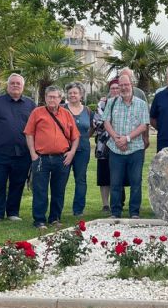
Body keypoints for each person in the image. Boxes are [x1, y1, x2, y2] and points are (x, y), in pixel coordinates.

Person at [0, 73, 36, 224]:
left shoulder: (31, 105)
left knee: (17, 183)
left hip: (23, 152)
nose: (15, 85)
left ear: (23, 86)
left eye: (18, 83)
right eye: (12, 83)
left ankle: (13, 212)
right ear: (8, 85)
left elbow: (37, 126)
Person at [24, 86, 79, 229]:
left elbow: (75, 136)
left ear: (60, 99)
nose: (52, 99)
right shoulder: (37, 112)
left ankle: (55, 218)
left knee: (58, 190)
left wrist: (72, 152)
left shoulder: (66, 114)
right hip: (41, 158)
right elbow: (29, 133)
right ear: (45, 98)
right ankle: (40, 220)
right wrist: (33, 154)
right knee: (40, 190)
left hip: (62, 159)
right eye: (49, 97)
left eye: (55, 97)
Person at [103, 74, 150, 218]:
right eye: (121, 85)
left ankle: (134, 212)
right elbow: (106, 122)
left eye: (126, 85)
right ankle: (115, 212)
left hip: (135, 149)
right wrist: (117, 139)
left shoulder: (141, 104)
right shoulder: (111, 102)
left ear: (132, 85)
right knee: (115, 182)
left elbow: (144, 125)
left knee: (136, 182)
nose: (123, 88)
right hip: (116, 149)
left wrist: (127, 139)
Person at [64, 82, 93, 216]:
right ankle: (57, 208)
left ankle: (78, 210)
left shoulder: (87, 111)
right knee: (61, 179)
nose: (72, 95)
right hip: (64, 150)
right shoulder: (62, 109)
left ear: (81, 95)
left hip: (83, 150)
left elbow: (91, 128)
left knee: (80, 179)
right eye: (70, 93)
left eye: (75, 93)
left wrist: (84, 138)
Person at [94, 80, 120, 214]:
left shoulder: (125, 103)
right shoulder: (102, 104)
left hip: (121, 144)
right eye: (113, 88)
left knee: (118, 174)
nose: (115, 90)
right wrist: (113, 128)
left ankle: (118, 202)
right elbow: (97, 123)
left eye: (117, 88)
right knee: (104, 175)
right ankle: (105, 204)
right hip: (104, 145)